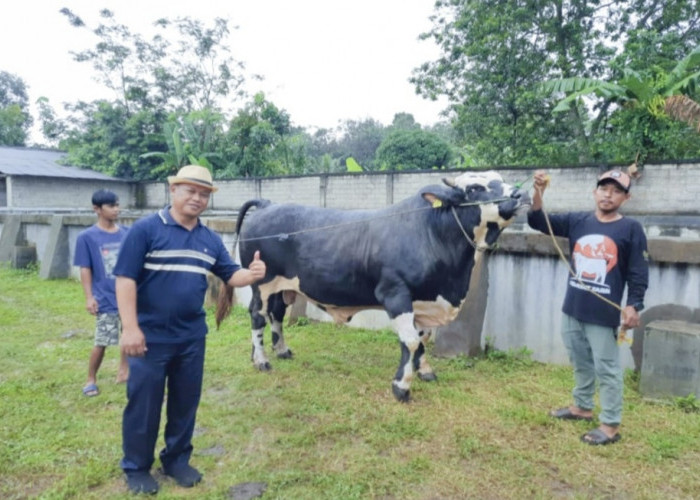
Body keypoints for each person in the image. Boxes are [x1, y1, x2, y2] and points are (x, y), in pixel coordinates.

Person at [113, 165, 266, 495]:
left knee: (185, 402)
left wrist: (251, 274)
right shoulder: (145, 230)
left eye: (203, 194)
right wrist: (130, 328)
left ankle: (177, 460)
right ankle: (137, 467)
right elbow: (125, 279)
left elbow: (230, 274)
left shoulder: (208, 239)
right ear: (174, 191)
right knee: (144, 404)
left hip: (191, 337)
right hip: (149, 335)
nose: (197, 198)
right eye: (190, 191)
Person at [528, 168, 649, 446]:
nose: (609, 194)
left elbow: (638, 272)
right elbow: (537, 220)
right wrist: (539, 192)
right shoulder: (577, 221)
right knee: (580, 361)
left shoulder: (631, 229)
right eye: (604, 188)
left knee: (607, 368)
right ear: (595, 192)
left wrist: (634, 305)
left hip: (603, 314)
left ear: (626, 198)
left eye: (616, 190)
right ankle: (581, 407)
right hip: (573, 308)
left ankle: (610, 424)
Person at [74, 189, 129, 397]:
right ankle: (91, 379)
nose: (117, 209)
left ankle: (124, 371)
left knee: (129, 334)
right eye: (111, 206)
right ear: (96, 209)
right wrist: (89, 297)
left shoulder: (126, 233)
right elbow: (85, 268)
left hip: (129, 296)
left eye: (117, 205)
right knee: (102, 341)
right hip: (105, 298)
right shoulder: (87, 237)